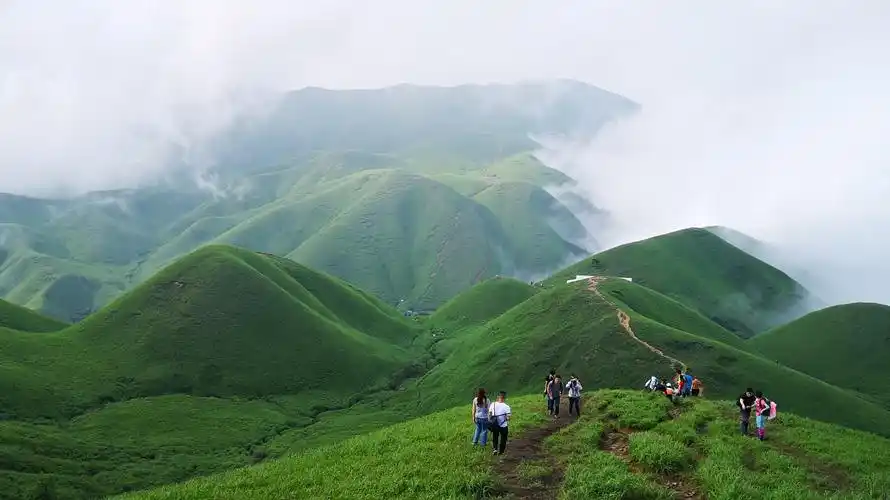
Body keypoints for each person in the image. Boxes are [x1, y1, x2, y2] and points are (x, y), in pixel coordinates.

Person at [488, 391, 512, 455]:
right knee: (503, 438)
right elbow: (508, 418)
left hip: (495, 424)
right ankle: (501, 452)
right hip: (503, 425)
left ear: (498, 397)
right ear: (504, 398)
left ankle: (495, 449)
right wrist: (505, 418)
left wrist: (491, 420)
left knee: (495, 437)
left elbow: (490, 414)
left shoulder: (493, 404)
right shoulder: (506, 407)